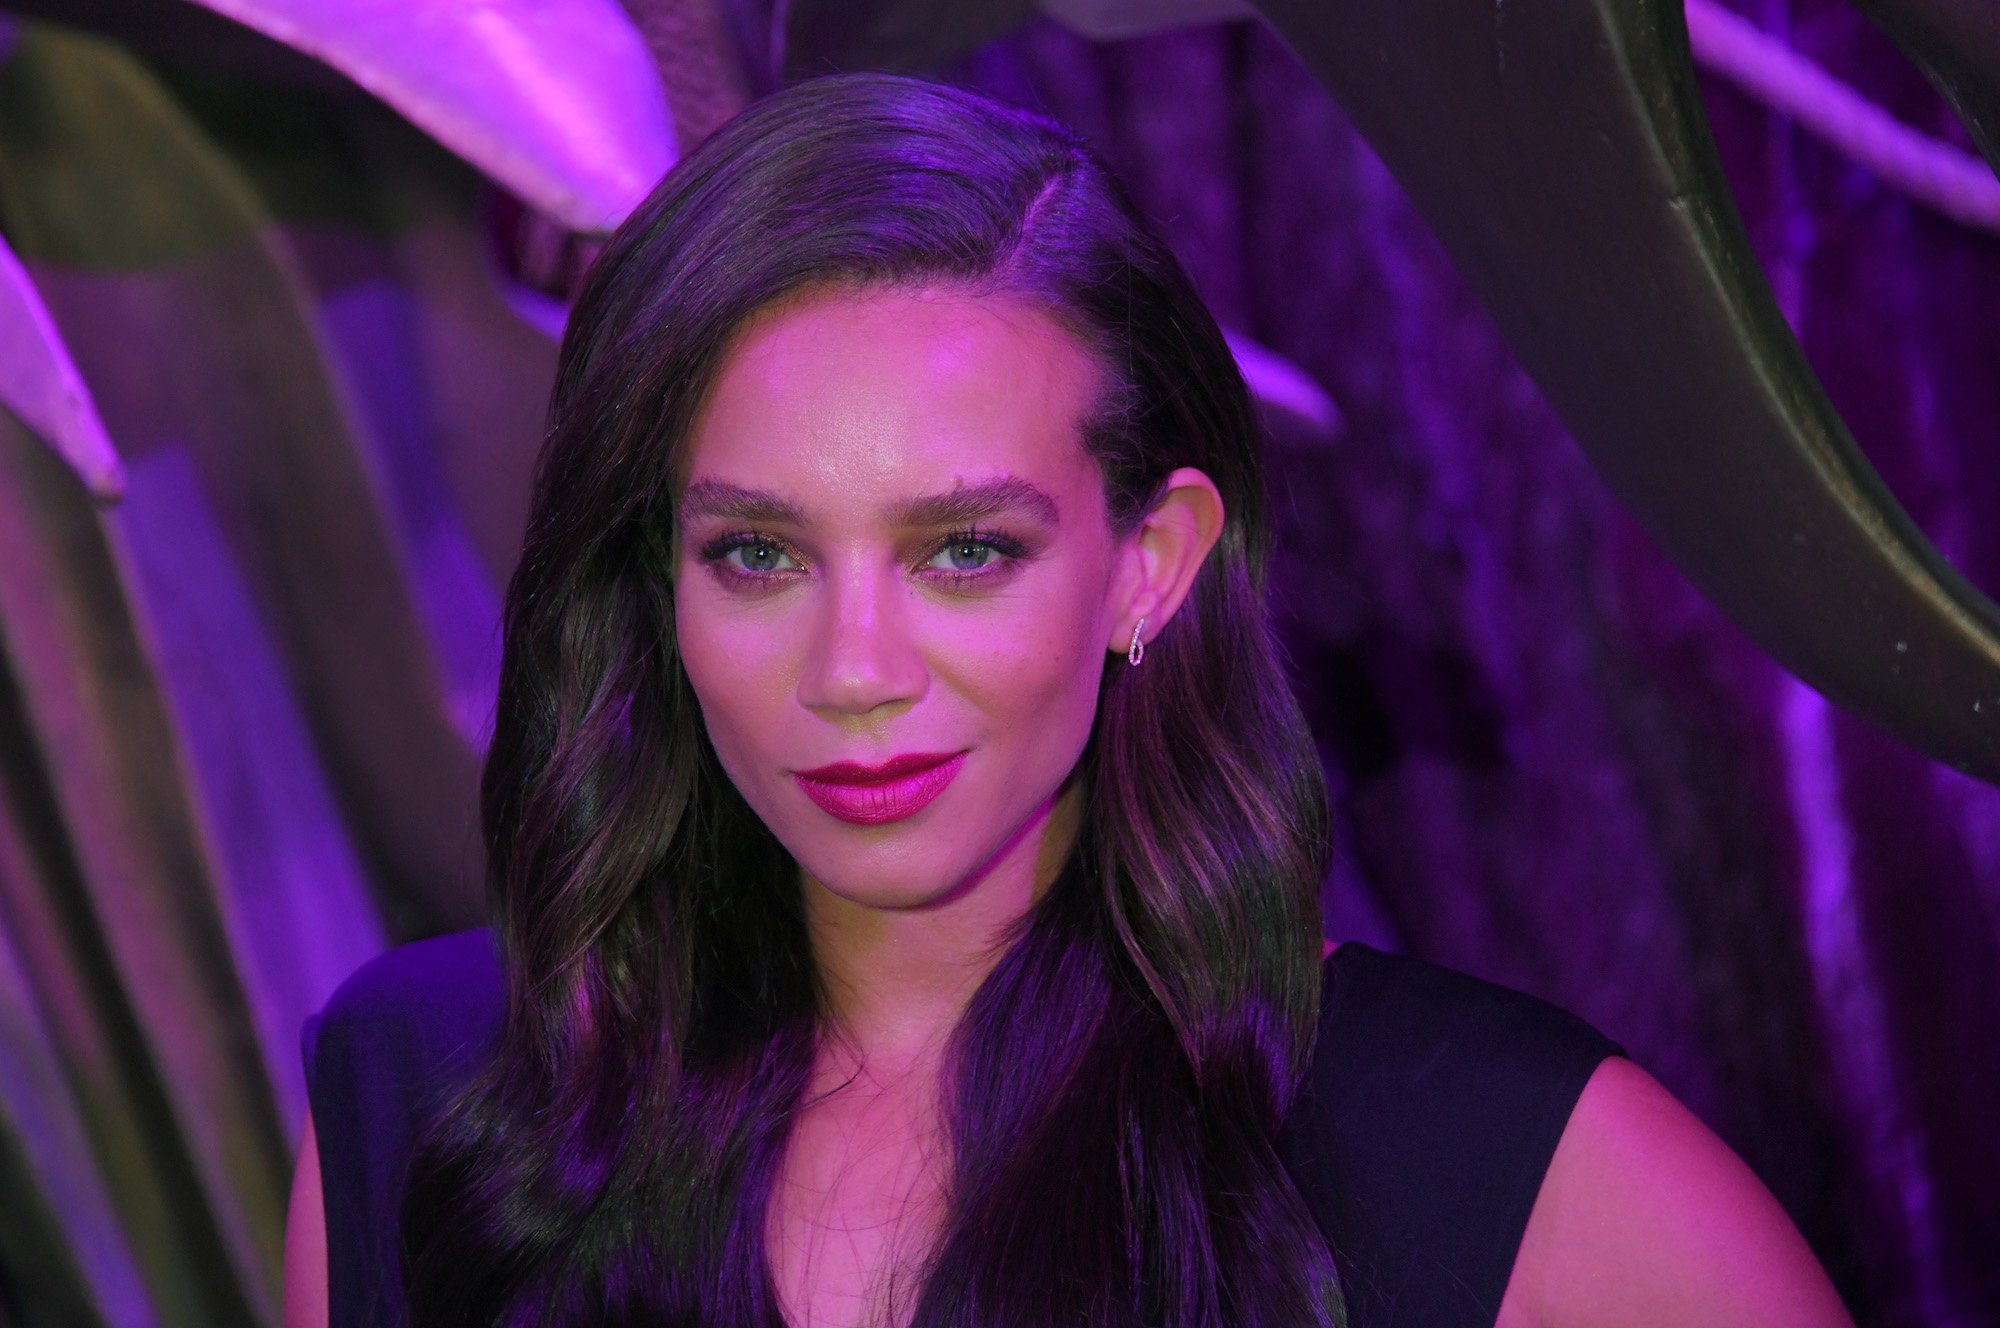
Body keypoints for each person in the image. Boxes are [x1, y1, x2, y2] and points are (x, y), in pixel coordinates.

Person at [283, 72, 1851, 1328]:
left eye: (965, 550)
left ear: (1148, 563)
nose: (854, 669)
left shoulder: (1512, 1165)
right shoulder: (432, 1095)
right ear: (657, 584)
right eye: (758, 553)